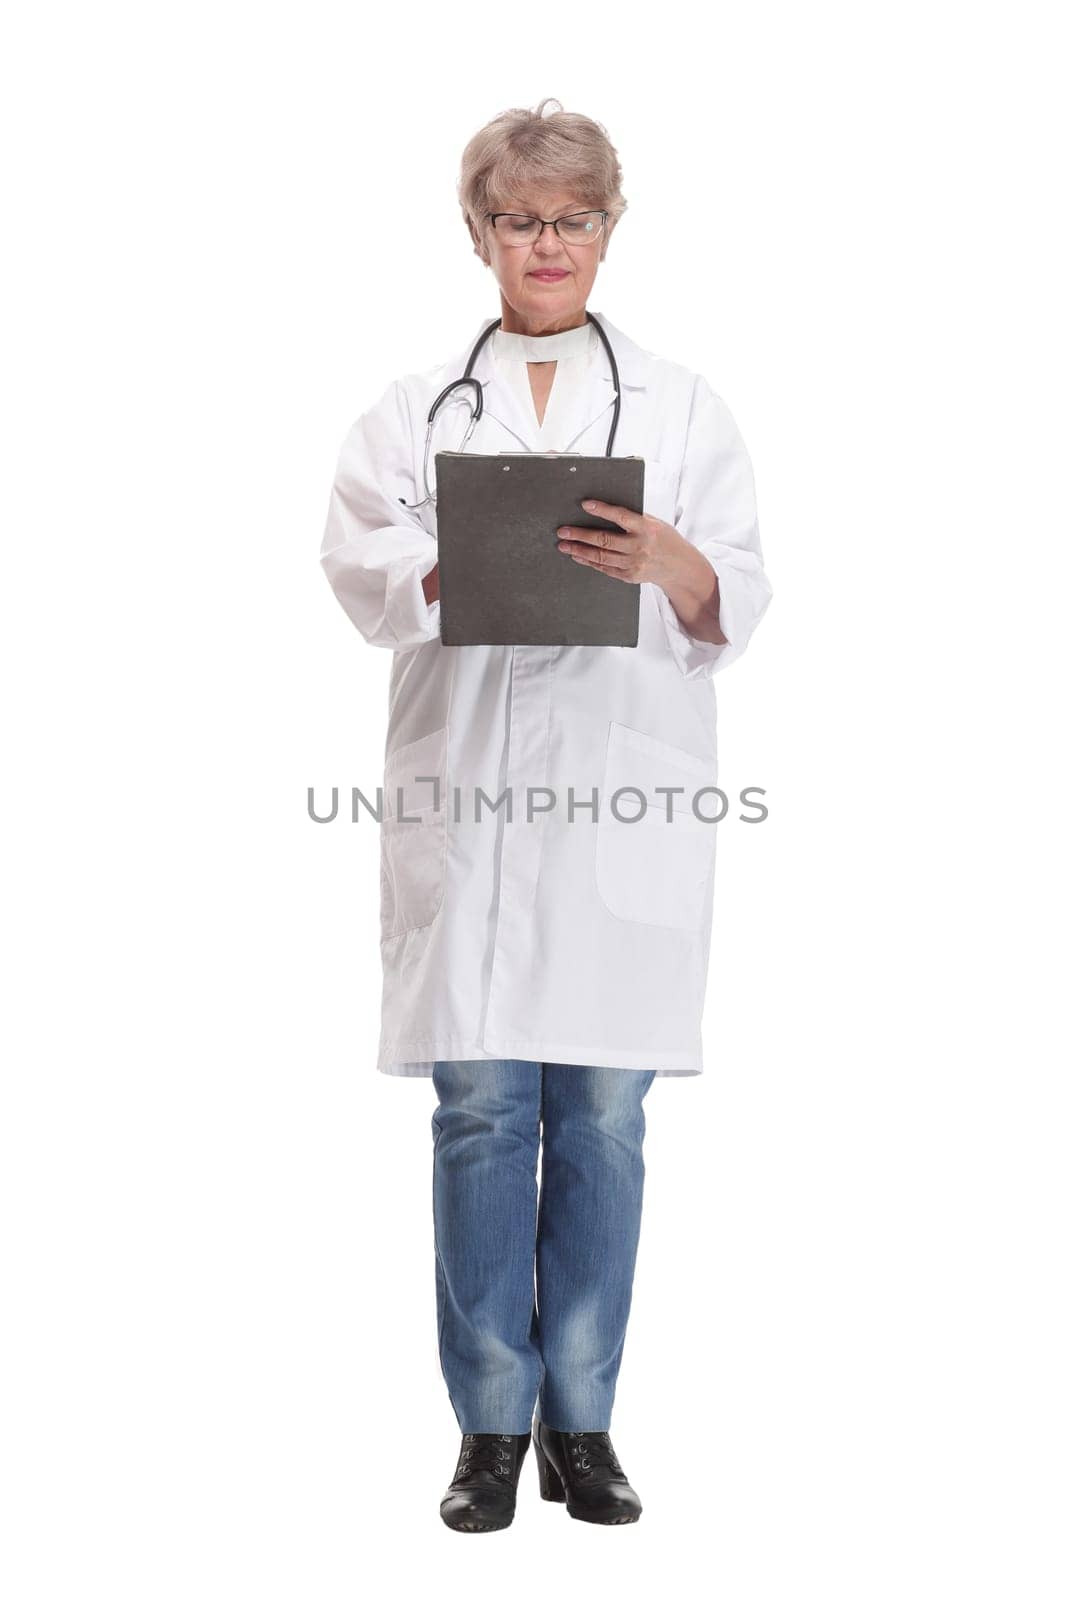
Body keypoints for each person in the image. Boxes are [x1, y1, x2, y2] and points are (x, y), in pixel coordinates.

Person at [318, 98, 772, 1532]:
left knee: (602, 1124)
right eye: (519, 218)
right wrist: (452, 565)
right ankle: (488, 1431)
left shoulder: (685, 404)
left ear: (608, 228)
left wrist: (675, 559)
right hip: (469, 807)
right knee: (478, 1118)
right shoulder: (411, 408)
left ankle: (584, 1421)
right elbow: (356, 566)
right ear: (481, 234)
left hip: (617, 808)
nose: (547, 242)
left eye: (572, 217)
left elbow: (736, 599)